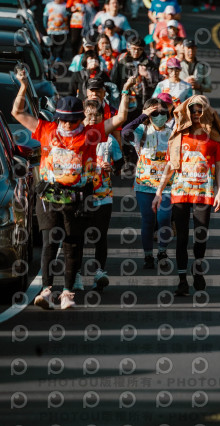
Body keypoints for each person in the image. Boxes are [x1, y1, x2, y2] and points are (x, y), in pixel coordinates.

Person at [11, 68, 135, 310]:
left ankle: (68, 292)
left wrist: (126, 90)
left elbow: (120, 117)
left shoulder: (91, 134)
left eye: (73, 120)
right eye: (63, 120)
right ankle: (47, 290)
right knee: (49, 242)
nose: (67, 124)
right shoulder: (46, 130)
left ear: (80, 119)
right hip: (49, 196)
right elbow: (17, 112)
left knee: (72, 244)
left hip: (77, 199)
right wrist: (23, 86)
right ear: (57, 118)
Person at [153, 96, 220, 296]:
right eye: (192, 111)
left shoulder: (214, 138)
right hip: (181, 191)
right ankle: (182, 279)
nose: (196, 114)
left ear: (206, 113)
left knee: (200, 235)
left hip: (204, 191)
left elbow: (219, 167)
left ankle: (198, 268)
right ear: (187, 113)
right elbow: (170, 166)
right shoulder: (178, 137)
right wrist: (159, 191)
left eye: (199, 111)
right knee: (182, 237)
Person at [75, 99, 124, 292]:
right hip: (79, 195)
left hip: (103, 195)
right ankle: (75, 275)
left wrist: (111, 167)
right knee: (78, 236)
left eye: (96, 115)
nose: (92, 118)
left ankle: (99, 273)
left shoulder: (109, 140)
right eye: (89, 115)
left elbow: (119, 165)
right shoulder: (76, 138)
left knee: (100, 235)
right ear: (82, 117)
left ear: (103, 118)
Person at [122, 98, 174, 269]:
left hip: (167, 185)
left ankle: (162, 251)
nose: (159, 116)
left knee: (164, 218)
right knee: (148, 220)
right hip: (144, 184)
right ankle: (148, 255)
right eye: (155, 113)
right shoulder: (141, 130)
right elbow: (125, 132)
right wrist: (143, 115)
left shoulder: (173, 132)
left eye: (163, 112)